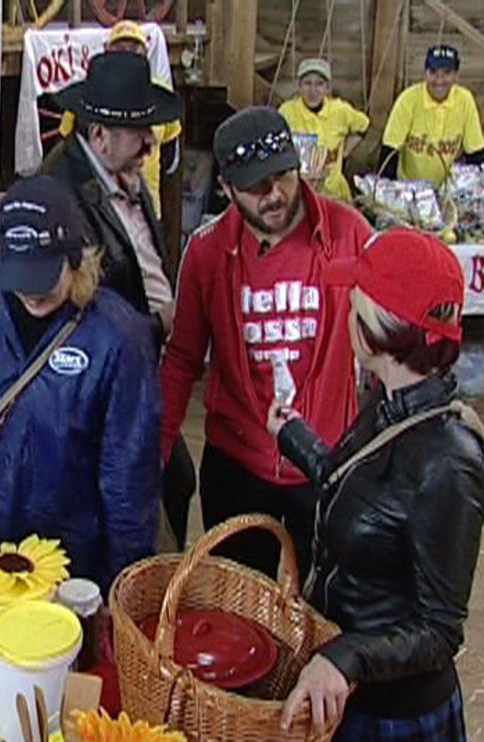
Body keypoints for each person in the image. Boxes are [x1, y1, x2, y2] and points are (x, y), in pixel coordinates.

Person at [272, 227, 484, 742]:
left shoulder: (449, 461)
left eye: (356, 299)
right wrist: (292, 436)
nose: (346, 308)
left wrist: (345, 657)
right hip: (348, 683)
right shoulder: (388, 404)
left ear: (378, 326)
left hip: (388, 707)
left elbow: (440, 631)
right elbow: (358, 490)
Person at [0, 175, 160, 595]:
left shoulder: (119, 338)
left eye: (43, 276)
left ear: (77, 259)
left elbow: (127, 483)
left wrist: (122, 589)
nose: (30, 292)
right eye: (18, 275)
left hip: (69, 566)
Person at [160, 106, 372, 580]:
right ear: (227, 189)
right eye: (257, 186)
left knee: (326, 606)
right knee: (238, 609)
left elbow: (388, 335)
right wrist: (157, 449)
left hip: (326, 462)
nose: (275, 195)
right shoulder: (206, 251)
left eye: (283, 176)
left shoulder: (349, 234)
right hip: (237, 465)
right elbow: (182, 359)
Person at [43, 50, 196, 551]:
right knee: (153, 490)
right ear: (99, 136)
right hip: (104, 385)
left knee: (176, 480)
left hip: (147, 366)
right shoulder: (60, 196)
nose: (151, 142)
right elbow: (73, 317)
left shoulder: (121, 174)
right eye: (140, 133)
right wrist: (161, 324)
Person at [57, 20, 182, 220]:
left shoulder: (158, 95)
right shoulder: (89, 96)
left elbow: (170, 157)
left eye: (133, 48)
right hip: (94, 210)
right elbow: (66, 149)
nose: (126, 54)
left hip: (146, 207)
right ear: (107, 50)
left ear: (145, 51)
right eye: (120, 48)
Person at [379, 45, 484, 187]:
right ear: (425, 73)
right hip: (407, 188)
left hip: (446, 191)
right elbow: (389, 150)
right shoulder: (408, 99)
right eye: (433, 72)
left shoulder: (465, 101)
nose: (439, 80)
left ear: (456, 75)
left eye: (447, 73)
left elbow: (476, 154)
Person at [278, 57, 370, 203]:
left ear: (327, 88)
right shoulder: (287, 112)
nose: (313, 90)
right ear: (299, 86)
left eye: (319, 84)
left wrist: (344, 152)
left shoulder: (340, 110)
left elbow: (363, 125)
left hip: (334, 195)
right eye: (307, 83)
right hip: (298, 195)